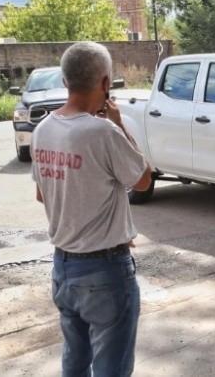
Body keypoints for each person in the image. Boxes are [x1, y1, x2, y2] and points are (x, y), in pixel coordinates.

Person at [31, 41, 152, 376]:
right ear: (105, 83)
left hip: (63, 268)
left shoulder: (43, 130)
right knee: (112, 368)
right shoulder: (103, 131)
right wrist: (119, 123)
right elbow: (143, 180)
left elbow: (42, 195)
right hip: (105, 271)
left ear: (65, 80)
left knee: (74, 362)